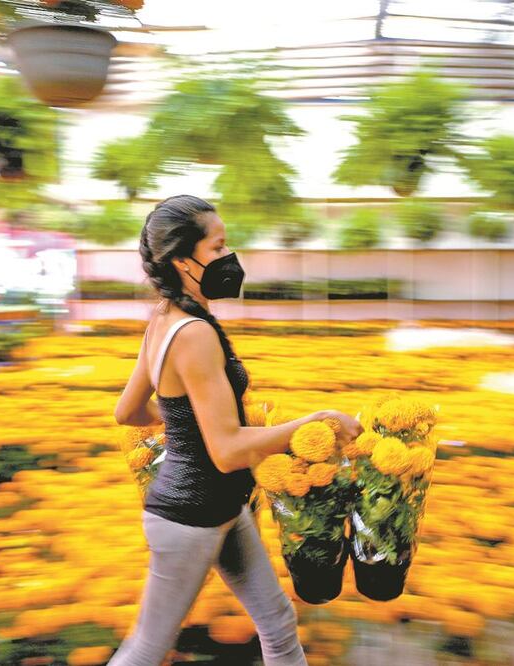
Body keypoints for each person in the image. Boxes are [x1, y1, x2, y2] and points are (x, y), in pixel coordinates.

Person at [110, 195, 362, 666]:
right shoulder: (193, 333)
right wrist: (313, 424)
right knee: (145, 649)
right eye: (219, 247)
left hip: (221, 506)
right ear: (183, 260)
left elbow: (128, 412)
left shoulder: (164, 318)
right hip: (189, 519)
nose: (230, 259)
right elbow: (226, 451)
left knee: (278, 623)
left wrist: (191, 422)